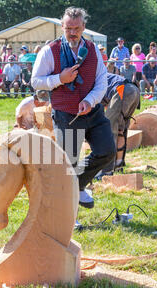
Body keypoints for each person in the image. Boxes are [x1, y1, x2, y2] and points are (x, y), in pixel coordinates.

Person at [31, 7, 115, 209]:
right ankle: (68, 215)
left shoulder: (93, 50)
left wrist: (90, 101)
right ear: (62, 27)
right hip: (66, 115)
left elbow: (102, 82)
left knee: (107, 152)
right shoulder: (49, 51)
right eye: (68, 28)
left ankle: (76, 185)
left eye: (77, 28)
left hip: (93, 112)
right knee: (69, 163)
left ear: (84, 27)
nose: (73, 32)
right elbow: (36, 81)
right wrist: (60, 78)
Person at [96, 72, 140, 177]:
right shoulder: (98, 74)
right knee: (121, 129)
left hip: (121, 90)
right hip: (133, 89)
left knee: (108, 130)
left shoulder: (89, 81)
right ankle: (118, 164)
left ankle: (106, 171)